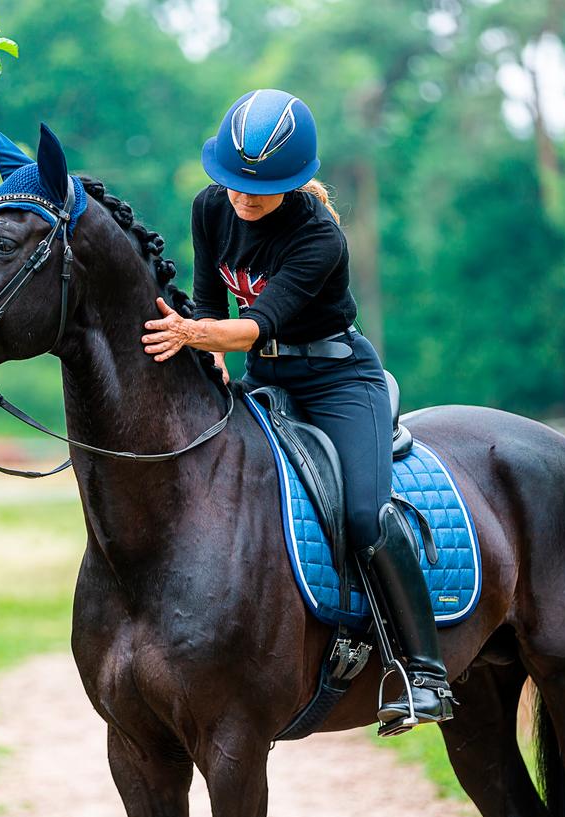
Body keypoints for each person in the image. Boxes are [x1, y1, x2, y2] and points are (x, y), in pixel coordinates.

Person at [140, 88, 454, 735]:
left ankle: (424, 672)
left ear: (297, 180)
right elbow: (207, 303)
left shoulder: (319, 236)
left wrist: (196, 337)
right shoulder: (210, 208)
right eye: (233, 184)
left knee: (366, 511)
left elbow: (253, 323)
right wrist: (205, 359)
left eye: (261, 190)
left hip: (338, 381)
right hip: (266, 379)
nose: (244, 200)